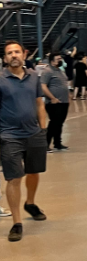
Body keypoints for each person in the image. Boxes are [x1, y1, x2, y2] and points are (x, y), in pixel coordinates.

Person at [0, 41, 48, 242]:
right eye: (9, 53)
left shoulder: (34, 76)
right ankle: (17, 223)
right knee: (14, 178)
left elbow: (39, 104)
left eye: (16, 52)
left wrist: (43, 129)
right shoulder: (1, 79)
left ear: (24, 54)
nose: (13, 55)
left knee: (34, 171)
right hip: (9, 136)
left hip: (34, 134)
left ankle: (30, 203)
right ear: (4, 58)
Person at [41, 52, 70, 152]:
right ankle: (46, 144)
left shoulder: (60, 70)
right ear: (52, 61)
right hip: (54, 102)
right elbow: (43, 86)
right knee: (54, 123)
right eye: (58, 59)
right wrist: (52, 98)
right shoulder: (47, 71)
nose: (60, 60)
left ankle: (57, 143)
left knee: (60, 123)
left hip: (64, 101)